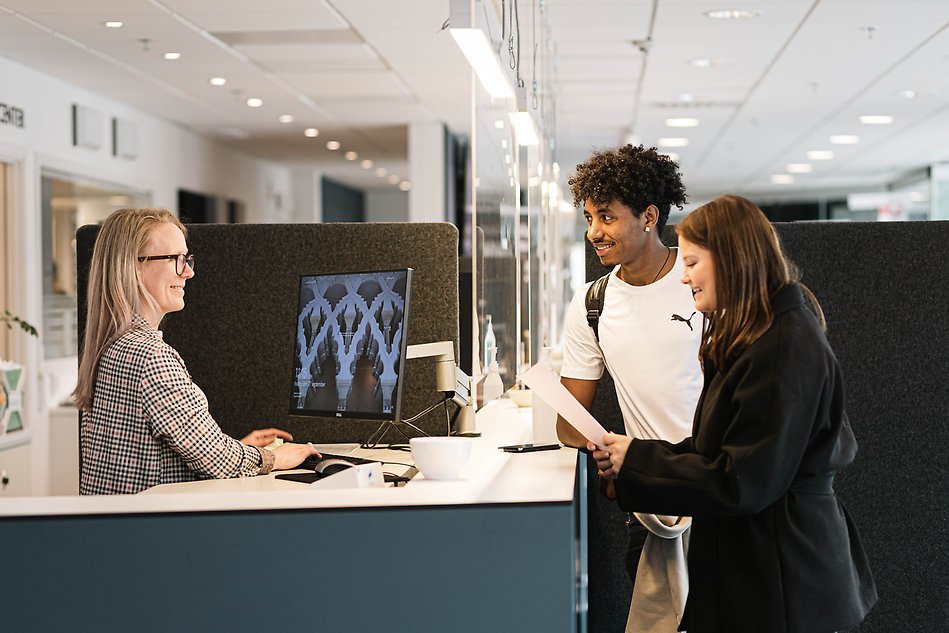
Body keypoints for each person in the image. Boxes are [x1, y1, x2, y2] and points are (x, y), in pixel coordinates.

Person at [593, 195, 878, 632]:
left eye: (692, 262)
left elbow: (740, 480)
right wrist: (632, 458)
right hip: (761, 569)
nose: (684, 276)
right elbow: (719, 450)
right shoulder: (756, 335)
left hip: (784, 579)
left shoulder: (783, 348)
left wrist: (637, 461)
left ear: (731, 260)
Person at [557, 144, 703, 628]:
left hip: (721, 490)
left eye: (606, 216)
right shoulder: (592, 303)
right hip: (649, 499)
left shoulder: (701, 278)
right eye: (589, 217)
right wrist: (603, 447)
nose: (593, 232)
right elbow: (569, 423)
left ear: (648, 216)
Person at [74, 208, 318, 495]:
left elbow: (169, 455)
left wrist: (237, 448)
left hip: (117, 530)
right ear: (133, 266)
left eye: (186, 259)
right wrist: (276, 458)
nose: (188, 272)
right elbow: (217, 461)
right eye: (176, 260)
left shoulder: (113, 346)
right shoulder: (150, 356)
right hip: (151, 532)